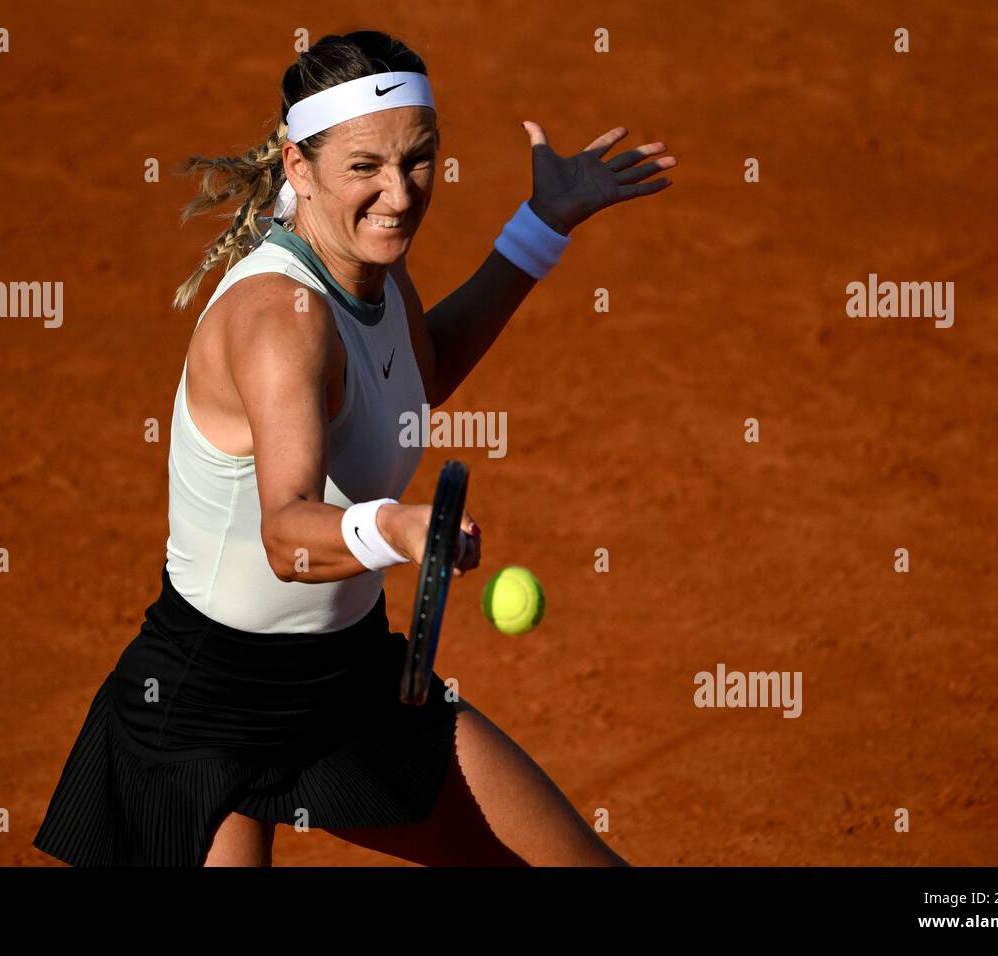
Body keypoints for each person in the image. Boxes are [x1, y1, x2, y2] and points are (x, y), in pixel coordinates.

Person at [33, 29, 673, 867]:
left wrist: (540, 226)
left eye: (418, 162)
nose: (400, 196)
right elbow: (285, 533)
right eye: (364, 168)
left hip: (349, 684)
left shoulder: (377, 265)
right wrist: (398, 531)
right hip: (208, 714)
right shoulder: (279, 321)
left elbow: (424, 368)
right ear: (299, 169)